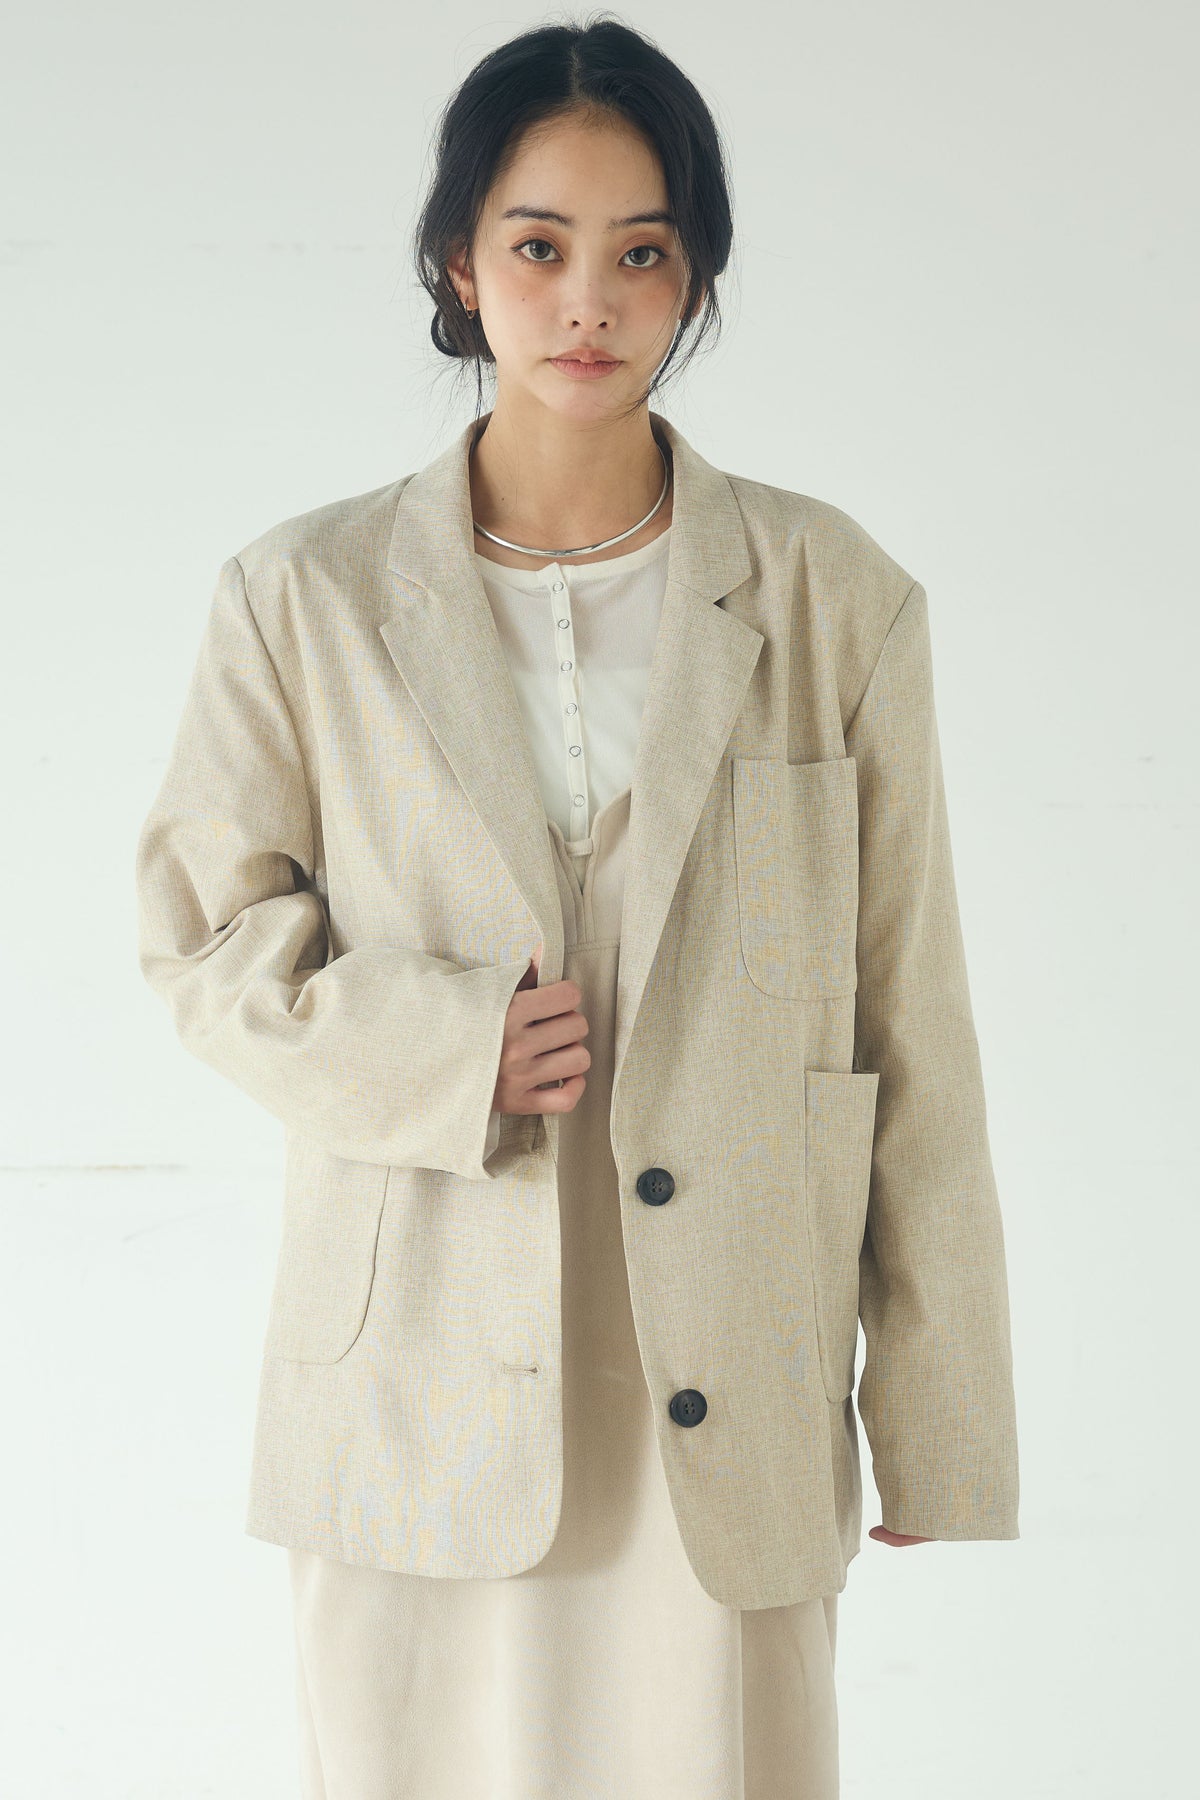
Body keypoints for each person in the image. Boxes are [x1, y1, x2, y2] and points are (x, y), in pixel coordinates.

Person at [134, 16, 1019, 1799]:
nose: (589, 301)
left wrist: (938, 1419)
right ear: (459, 266)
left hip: (737, 1380)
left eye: (643, 253)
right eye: (538, 246)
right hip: (416, 1377)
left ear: (697, 278)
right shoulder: (303, 595)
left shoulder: (835, 597)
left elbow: (909, 1010)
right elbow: (202, 943)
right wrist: (450, 1045)